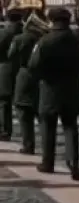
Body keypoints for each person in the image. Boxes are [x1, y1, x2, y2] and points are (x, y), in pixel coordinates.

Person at [28, 6, 79, 178]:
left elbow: (33, 65)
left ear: (52, 20)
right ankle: (73, 163)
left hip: (50, 88)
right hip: (73, 87)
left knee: (48, 126)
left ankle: (48, 162)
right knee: (71, 127)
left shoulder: (44, 41)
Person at [7, 15, 43, 154]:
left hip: (24, 74)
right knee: (39, 113)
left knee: (23, 111)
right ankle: (45, 146)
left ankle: (28, 144)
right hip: (39, 77)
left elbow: (11, 55)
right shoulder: (42, 39)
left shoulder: (19, 39)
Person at [0, 8, 23, 140]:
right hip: (22, 69)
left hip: (6, 69)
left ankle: (5, 130)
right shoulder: (25, 31)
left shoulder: (6, 32)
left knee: (4, 102)